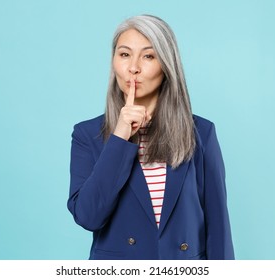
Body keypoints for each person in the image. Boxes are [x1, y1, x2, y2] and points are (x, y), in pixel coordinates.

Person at [68, 15, 234, 260]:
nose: (133, 67)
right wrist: (120, 138)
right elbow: (88, 216)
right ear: (113, 62)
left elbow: (218, 228)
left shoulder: (201, 133)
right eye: (124, 54)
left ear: (166, 65)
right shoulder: (87, 134)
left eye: (148, 56)